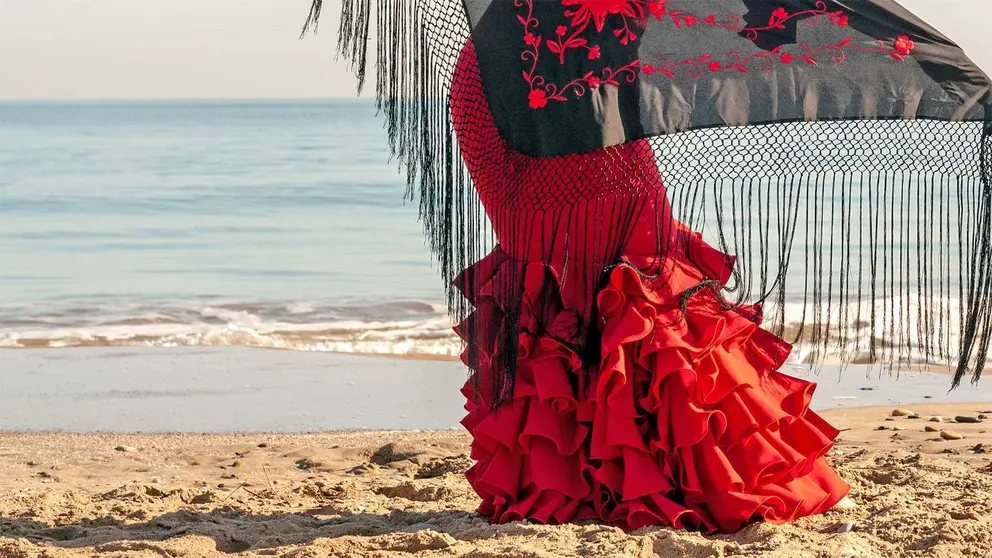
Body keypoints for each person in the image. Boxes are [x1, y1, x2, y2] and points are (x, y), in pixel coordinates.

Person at [308, 0, 992, 534]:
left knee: (627, 281)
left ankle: (640, 481)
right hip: (506, 90)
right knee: (556, 275)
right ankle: (587, 481)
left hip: (586, 99)